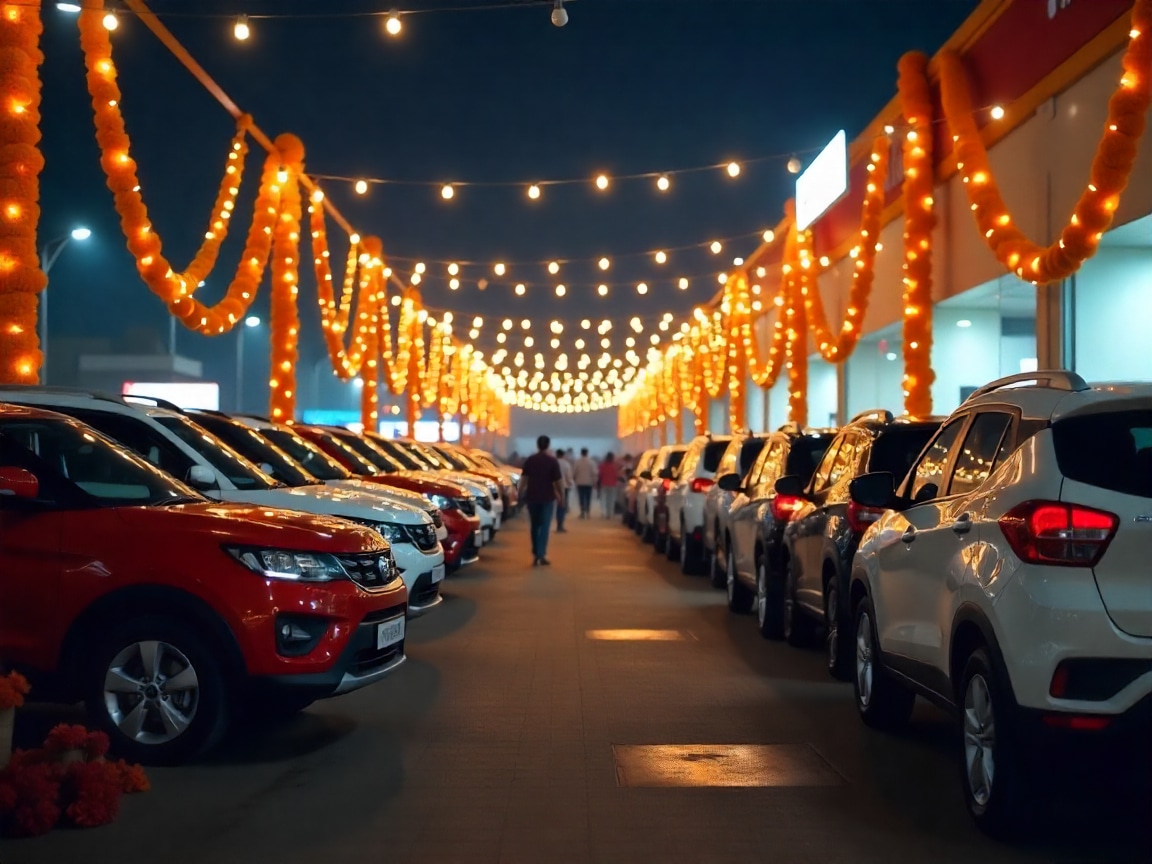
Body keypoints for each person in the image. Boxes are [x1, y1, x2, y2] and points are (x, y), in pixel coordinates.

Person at [518, 435, 564, 566]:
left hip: (532, 497)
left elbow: (524, 479)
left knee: (534, 525)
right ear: (548, 445)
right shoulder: (552, 461)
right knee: (545, 526)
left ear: (537, 445)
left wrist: (519, 493)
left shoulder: (530, 460)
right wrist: (562, 496)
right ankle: (541, 554)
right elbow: (558, 481)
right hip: (547, 498)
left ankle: (536, 553)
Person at [572, 447, 597, 518]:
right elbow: (594, 473)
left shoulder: (577, 462)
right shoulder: (591, 462)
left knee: (581, 497)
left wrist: (574, 479)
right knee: (588, 497)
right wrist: (595, 481)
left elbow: (574, 472)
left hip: (579, 482)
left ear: (581, 453)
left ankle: (582, 512)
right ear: (587, 453)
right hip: (589, 482)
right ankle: (588, 512)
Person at [555, 448, 574, 532]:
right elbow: (568, 476)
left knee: (554, 505)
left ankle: (556, 523)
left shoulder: (553, 463)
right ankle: (560, 525)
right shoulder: (566, 464)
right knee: (562, 505)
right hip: (564, 487)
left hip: (553, 487)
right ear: (563, 455)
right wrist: (571, 484)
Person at [598, 451, 620, 519]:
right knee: (611, 499)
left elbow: (600, 475)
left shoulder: (602, 465)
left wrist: (598, 483)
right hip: (613, 484)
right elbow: (617, 475)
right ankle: (610, 513)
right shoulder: (615, 466)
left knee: (603, 499)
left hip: (604, 483)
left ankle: (604, 513)